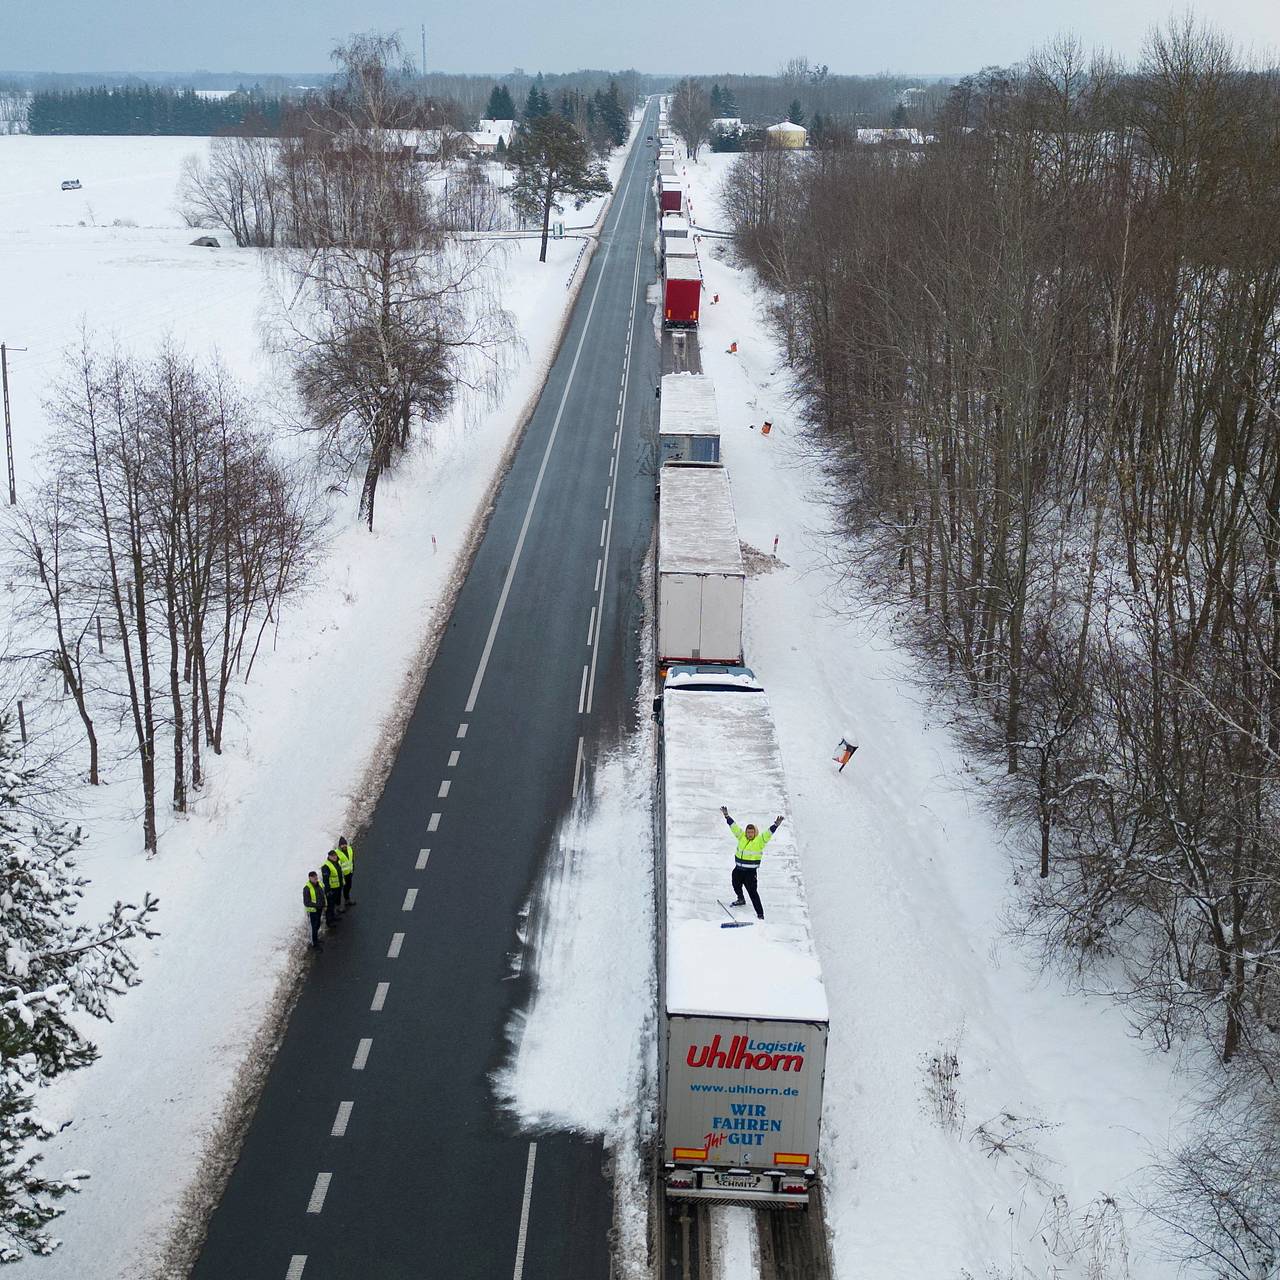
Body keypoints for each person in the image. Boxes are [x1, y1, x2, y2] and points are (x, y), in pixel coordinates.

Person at [720, 806, 784, 920]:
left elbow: (768, 833)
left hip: (750, 873)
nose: (749, 834)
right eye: (748, 832)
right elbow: (734, 827)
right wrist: (727, 816)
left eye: (751, 832)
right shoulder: (742, 837)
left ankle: (760, 915)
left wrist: (775, 825)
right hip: (738, 869)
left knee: (753, 893)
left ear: (755, 832)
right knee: (735, 884)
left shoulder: (760, 840)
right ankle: (741, 899)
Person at [321, 851, 344, 929]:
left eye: (335, 856)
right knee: (330, 906)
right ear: (329, 857)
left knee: (334, 904)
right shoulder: (326, 866)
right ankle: (329, 922)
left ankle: (334, 917)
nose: (335, 857)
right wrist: (328, 891)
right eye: (333, 856)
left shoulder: (337, 862)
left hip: (338, 887)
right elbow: (325, 880)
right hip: (332, 889)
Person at [304, 871, 325, 950]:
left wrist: (323, 904)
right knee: (313, 927)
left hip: (319, 909)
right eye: (313, 878)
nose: (316, 879)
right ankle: (314, 943)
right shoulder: (307, 888)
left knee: (318, 924)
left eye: (316, 877)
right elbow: (306, 902)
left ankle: (316, 939)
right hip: (312, 911)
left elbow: (322, 895)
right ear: (310, 878)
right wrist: (317, 905)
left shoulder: (319, 884)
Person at [335, 836, 356, 907]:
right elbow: (335, 865)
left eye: (345, 844)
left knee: (348, 887)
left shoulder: (350, 849)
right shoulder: (336, 853)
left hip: (349, 873)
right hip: (341, 875)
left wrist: (353, 868)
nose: (344, 846)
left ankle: (347, 900)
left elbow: (351, 860)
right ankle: (338, 906)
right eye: (342, 844)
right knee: (339, 891)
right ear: (339, 845)